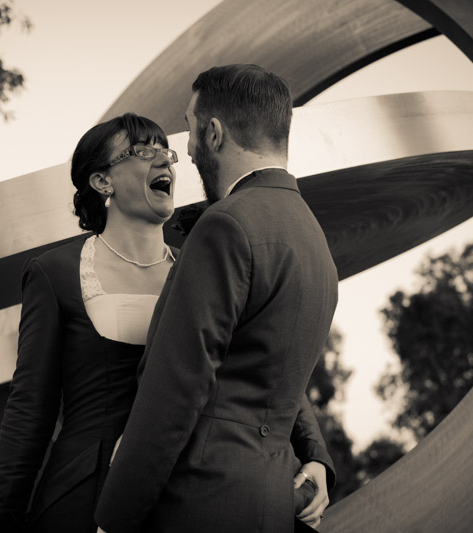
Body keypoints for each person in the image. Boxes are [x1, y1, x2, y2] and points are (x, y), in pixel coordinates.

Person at [0, 112, 333, 533]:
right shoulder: (54, 273)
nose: (165, 161)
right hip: (85, 496)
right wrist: (0, 520)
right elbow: (30, 411)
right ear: (102, 181)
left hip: (191, 494)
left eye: (166, 151)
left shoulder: (204, 262)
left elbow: (268, 360)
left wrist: (315, 454)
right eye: (143, 151)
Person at [94, 65, 339, 533]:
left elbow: (177, 385)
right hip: (272, 502)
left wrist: (115, 516)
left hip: (199, 501)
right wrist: (318, 457)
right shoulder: (313, 238)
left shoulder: (226, 224)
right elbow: (277, 367)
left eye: (188, 129)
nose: (184, 149)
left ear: (214, 132)